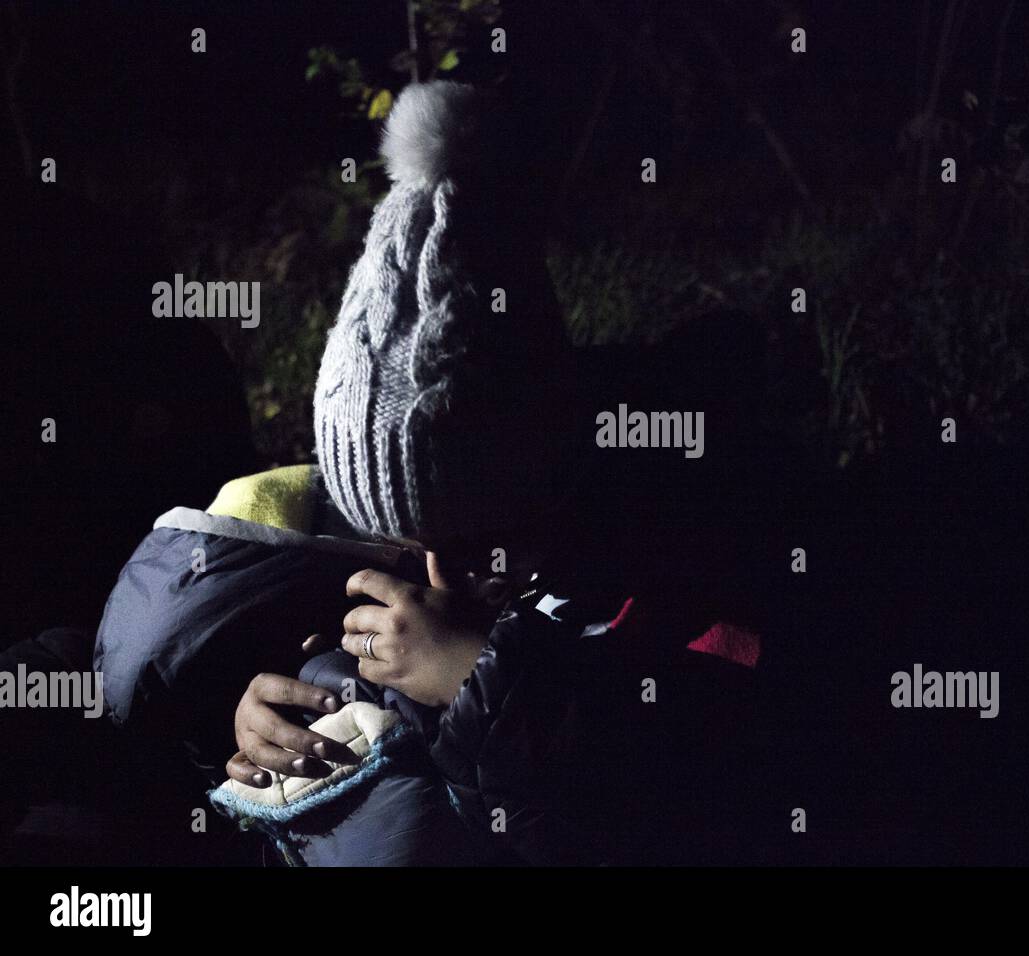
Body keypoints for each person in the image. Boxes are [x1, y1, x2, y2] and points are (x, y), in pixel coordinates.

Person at [221, 81, 853, 864]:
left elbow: (730, 774)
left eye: (472, 540)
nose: (431, 578)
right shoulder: (431, 554)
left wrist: (477, 675)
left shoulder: (686, 565)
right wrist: (267, 721)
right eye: (397, 542)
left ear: (549, 477)